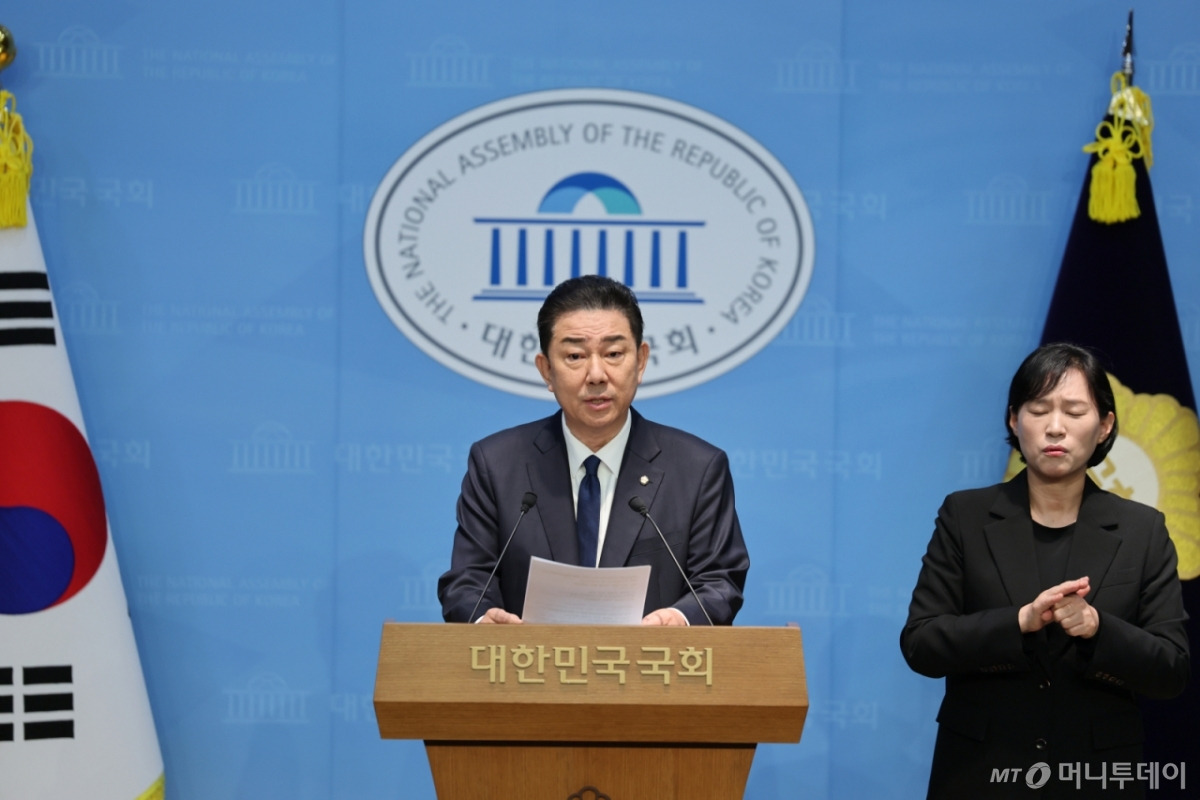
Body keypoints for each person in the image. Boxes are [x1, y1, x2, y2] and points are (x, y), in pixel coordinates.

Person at [901, 343, 1189, 799]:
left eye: (1074, 411)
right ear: (1013, 421)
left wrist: (1098, 628)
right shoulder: (965, 517)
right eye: (1038, 410)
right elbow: (921, 643)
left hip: (1095, 776)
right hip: (981, 773)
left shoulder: (1142, 530)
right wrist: (1019, 622)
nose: (1055, 427)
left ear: (1104, 426)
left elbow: (1171, 669)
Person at [437, 275, 749, 625]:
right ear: (546, 370)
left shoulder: (697, 469)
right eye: (575, 356)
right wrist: (485, 623)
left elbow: (720, 581)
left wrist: (680, 619)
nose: (597, 374)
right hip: (530, 660)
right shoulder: (497, 465)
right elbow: (467, 581)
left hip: (653, 659)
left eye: (614, 354)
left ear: (640, 361)